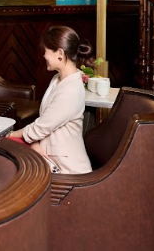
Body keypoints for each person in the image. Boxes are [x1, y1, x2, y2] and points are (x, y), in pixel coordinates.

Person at [8, 25, 93, 174]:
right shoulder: (58, 78)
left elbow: (41, 128)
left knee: (5, 148)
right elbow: (46, 123)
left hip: (66, 167)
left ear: (60, 54)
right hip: (49, 154)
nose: (44, 56)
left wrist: (11, 135)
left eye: (46, 51)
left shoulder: (70, 90)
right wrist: (35, 143)